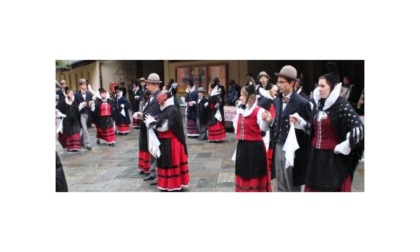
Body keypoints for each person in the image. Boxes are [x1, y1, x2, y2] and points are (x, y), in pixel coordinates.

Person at [290, 62, 364, 192]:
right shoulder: (318, 104)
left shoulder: (342, 105)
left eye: (322, 86)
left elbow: (359, 128)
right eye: (318, 85)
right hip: (315, 157)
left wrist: (345, 145)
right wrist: (301, 122)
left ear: (332, 87)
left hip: (332, 159)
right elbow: (314, 129)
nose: (319, 88)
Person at [269, 65, 312, 192]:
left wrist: (300, 122)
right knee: (280, 182)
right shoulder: (277, 100)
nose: (278, 85)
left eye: (282, 82)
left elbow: (309, 129)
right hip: (277, 144)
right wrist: (270, 121)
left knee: (292, 184)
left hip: (293, 148)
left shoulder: (302, 103)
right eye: (278, 82)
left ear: (292, 83)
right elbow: (277, 123)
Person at [144, 91, 190, 191]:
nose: (158, 104)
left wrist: (152, 123)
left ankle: (172, 184)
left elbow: (164, 127)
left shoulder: (171, 110)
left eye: (159, 101)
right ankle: (167, 184)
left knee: (170, 162)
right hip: (166, 142)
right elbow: (161, 120)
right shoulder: (167, 109)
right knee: (166, 162)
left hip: (172, 142)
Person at [232, 85, 273, 192]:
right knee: (242, 172)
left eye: (242, 95)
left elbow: (264, 129)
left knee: (253, 173)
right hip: (243, 147)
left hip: (255, 149)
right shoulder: (241, 110)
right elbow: (237, 128)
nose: (240, 97)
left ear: (249, 97)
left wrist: (267, 121)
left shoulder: (259, 111)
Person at [133, 73, 162, 185]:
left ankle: (157, 173)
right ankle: (153, 172)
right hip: (149, 127)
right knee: (152, 150)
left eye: (148, 84)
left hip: (155, 128)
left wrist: (151, 119)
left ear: (154, 85)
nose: (146, 86)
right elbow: (148, 111)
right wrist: (141, 114)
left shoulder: (159, 96)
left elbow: (161, 114)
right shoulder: (152, 96)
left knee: (156, 151)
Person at [74, 78, 94, 150]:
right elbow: (75, 106)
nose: (85, 86)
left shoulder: (89, 93)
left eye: (86, 85)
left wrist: (91, 104)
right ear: (80, 86)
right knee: (84, 129)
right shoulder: (76, 94)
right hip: (81, 114)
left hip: (88, 113)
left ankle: (81, 141)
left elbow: (91, 102)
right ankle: (88, 144)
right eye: (84, 85)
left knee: (87, 129)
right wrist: (81, 105)